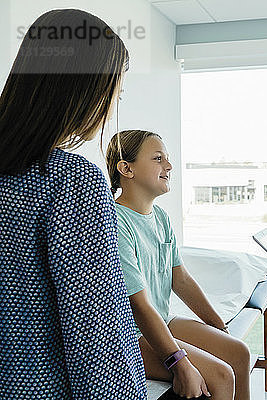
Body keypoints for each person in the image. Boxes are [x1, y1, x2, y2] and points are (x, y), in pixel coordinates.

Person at [0, 9, 146, 399]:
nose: (111, 107)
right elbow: (97, 334)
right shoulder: (70, 181)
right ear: (86, 90)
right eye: (114, 92)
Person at [105, 129, 252, 400]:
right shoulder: (115, 222)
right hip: (132, 335)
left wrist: (217, 325)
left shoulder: (160, 217)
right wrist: (179, 363)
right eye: (158, 158)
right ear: (126, 168)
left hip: (162, 319)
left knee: (239, 353)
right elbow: (139, 306)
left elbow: (180, 278)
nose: (169, 166)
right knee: (222, 375)